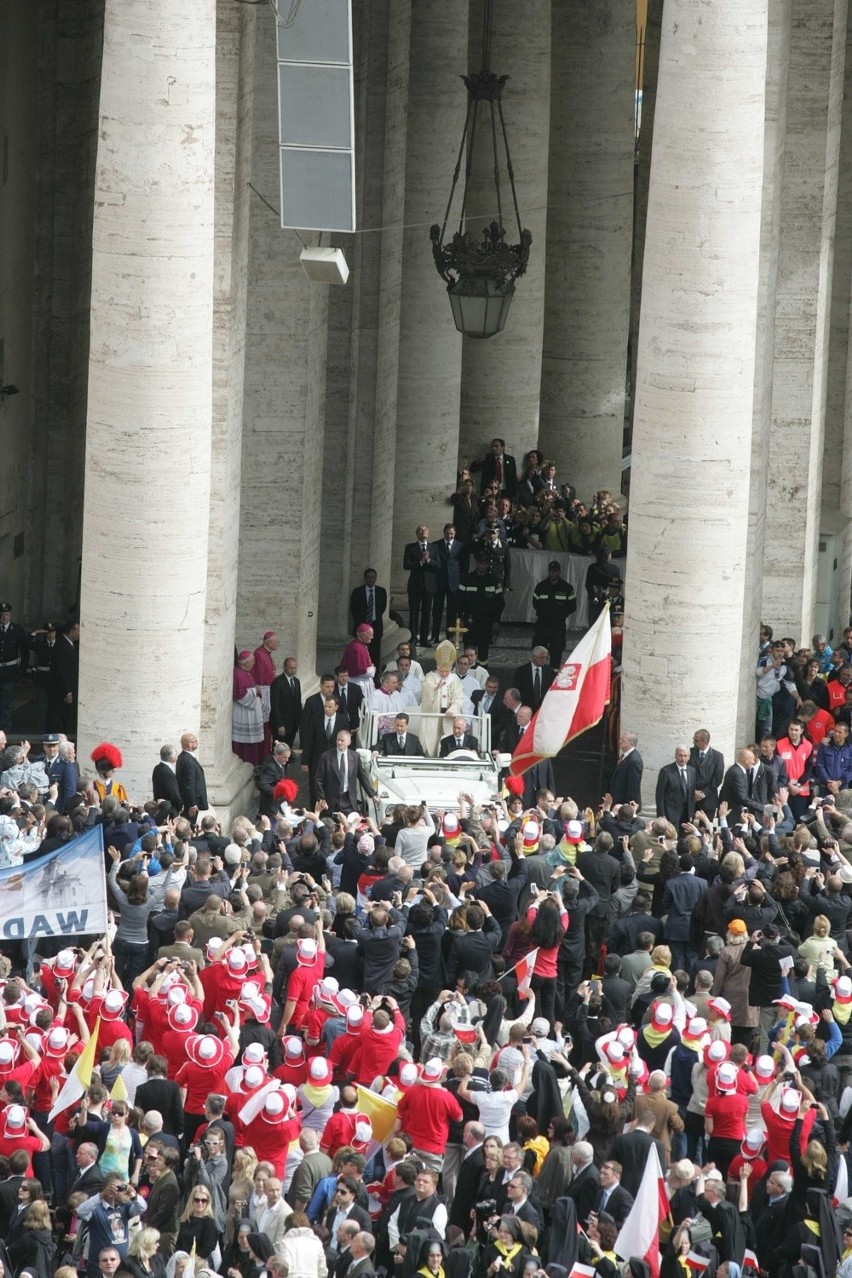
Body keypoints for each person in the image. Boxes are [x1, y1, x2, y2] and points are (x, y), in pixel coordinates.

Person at [314, 729, 376, 815]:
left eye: (342, 740)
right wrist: (322, 799)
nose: (339, 743)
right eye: (338, 740)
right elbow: (318, 780)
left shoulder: (355, 757)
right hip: (331, 801)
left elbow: (362, 777)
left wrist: (372, 795)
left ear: (349, 742)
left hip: (349, 800)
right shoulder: (326, 757)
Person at [420, 642, 465, 757]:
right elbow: (426, 690)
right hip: (434, 715)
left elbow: (459, 697)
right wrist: (435, 688)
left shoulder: (454, 679)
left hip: (449, 717)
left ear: (451, 668)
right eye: (441, 671)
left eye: (447, 671)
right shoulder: (430, 676)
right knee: (432, 741)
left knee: (447, 742)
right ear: (437, 667)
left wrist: (453, 709)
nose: (444, 674)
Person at [531, 562, 576, 668]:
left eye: (555, 571)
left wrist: (561, 614)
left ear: (559, 572)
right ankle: (538, 677)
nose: (552, 573)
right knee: (539, 653)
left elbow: (572, 606)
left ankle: (553, 678)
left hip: (558, 626)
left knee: (556, 654)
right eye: (550, 571)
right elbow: (535, 603)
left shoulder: (567, 588)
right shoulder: (541, 587)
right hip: (542, 625)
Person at [403, 526, 434, 651]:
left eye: (425, 530)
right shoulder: (410, 547)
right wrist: (420, 562)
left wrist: (428, 560)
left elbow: (438, 564)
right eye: (420, 530)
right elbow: (406, 565)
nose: (423, 532)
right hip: (415, 585)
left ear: (429, 532)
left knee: (426, 613)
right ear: (417, 534)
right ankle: (413, 637)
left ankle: (424, 638)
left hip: (429, 586)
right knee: (414, 613)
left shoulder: (433, 547)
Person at [232, 651, 265, 766]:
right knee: (245, 745)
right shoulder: (237, 674)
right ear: (246, 663)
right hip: (243, 714)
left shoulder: (246, 673)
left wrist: (255, 689)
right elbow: (238, 694)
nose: (254, 663)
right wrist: (254, 690)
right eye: (252, 661)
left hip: (250, 714)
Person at [350, 569, 387, 669]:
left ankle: (374, 677)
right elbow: (353, 609)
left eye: (373, 577)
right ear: (365, 578)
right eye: (369, 577)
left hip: (376, 626)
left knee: (375, 653)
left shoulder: (381, 591)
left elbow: (382, 608)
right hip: (362, 626)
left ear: (376, 578)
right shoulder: (358, 591)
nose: (371, 579)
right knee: (361, 652)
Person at [269, 656, 302, 749]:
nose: (293, 670)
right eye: (290, 668)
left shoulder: (296, 681)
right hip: (281, 725)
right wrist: (279, 724)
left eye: (294, 668)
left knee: (288, 749)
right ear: (284, 667)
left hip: (293, 724)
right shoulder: (278, 682)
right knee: (279, 749)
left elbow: (298, 702)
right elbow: (275, 705)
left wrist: (299, 722)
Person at [176, 733, 208, 822]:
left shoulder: (185, 758)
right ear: (189, 744)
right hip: (191, 803)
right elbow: (188, 784)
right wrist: (192, 804)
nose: (197, 742)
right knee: (189, 824)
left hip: (191, 801)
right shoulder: (187, 760)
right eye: (194, 741)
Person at [608, 732, 643, 807]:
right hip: (616, 801)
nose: (619, 741)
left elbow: (633, 787)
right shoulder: (624, 756)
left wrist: (627, 806)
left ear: (631, 743)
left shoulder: (634, 760)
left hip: (623, 805)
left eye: (623, 740)